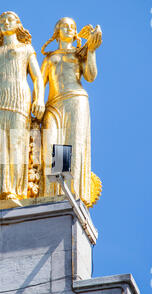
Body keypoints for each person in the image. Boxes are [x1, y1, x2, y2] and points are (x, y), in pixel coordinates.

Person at [0, 11, 44, 201]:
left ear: (18, 24)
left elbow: (37, 77)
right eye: (1, 21)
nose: (5, 23)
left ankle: (16, 190)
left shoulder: (26, 48)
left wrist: (39, 99)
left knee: (17, 144)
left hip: (18, 98)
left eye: (9, 20)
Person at [40, 17, 102, 206]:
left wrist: (91, 50)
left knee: (73, 144)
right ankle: (57, 189)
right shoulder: (50, 58)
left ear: (75, 32)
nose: (68, 29)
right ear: (57, 31)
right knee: (55, 144)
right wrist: (37, 102)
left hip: (76, 100)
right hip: (53, 105)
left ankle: (72, 190)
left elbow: (91, 76)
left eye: (72, 27)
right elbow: (39, 84)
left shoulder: (78, 54)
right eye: (64, 26)